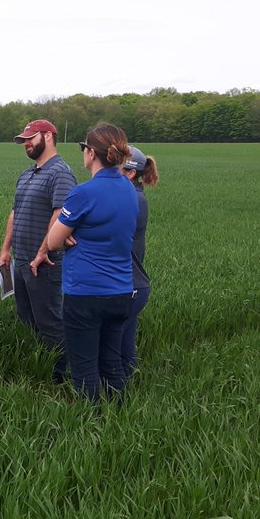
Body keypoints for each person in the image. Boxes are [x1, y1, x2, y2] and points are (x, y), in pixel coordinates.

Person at [45, 123, 138, 402]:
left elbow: (52, 242)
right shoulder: (129, 188)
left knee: (84, 368)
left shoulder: (84, 192)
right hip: (121, 290)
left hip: (85, 292)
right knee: (112, 364)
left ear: (91, 153)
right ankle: (118, 418)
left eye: (83, 148)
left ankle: (91, 426)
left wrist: (69, 235)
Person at [0, 119, 78, 383]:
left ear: (48, 136)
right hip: (21, 259)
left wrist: (43, 250)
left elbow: (60, 216)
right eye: (23, 141)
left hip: (44, 263)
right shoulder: (27, 174)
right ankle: (37, 365)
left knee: (50, 322)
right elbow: (15, 213)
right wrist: (5, 249)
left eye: (30, 139)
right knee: (26, 317)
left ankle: (59, 376)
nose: (26, 144)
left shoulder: (61, 173)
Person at [120, 146, 159, 378]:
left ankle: (118, 396)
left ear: (131, 173)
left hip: (130, 285)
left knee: (117, 347)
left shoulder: (133, 199)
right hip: (132, 283)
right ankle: (127, 390)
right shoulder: (133, 195)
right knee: (124, 343)